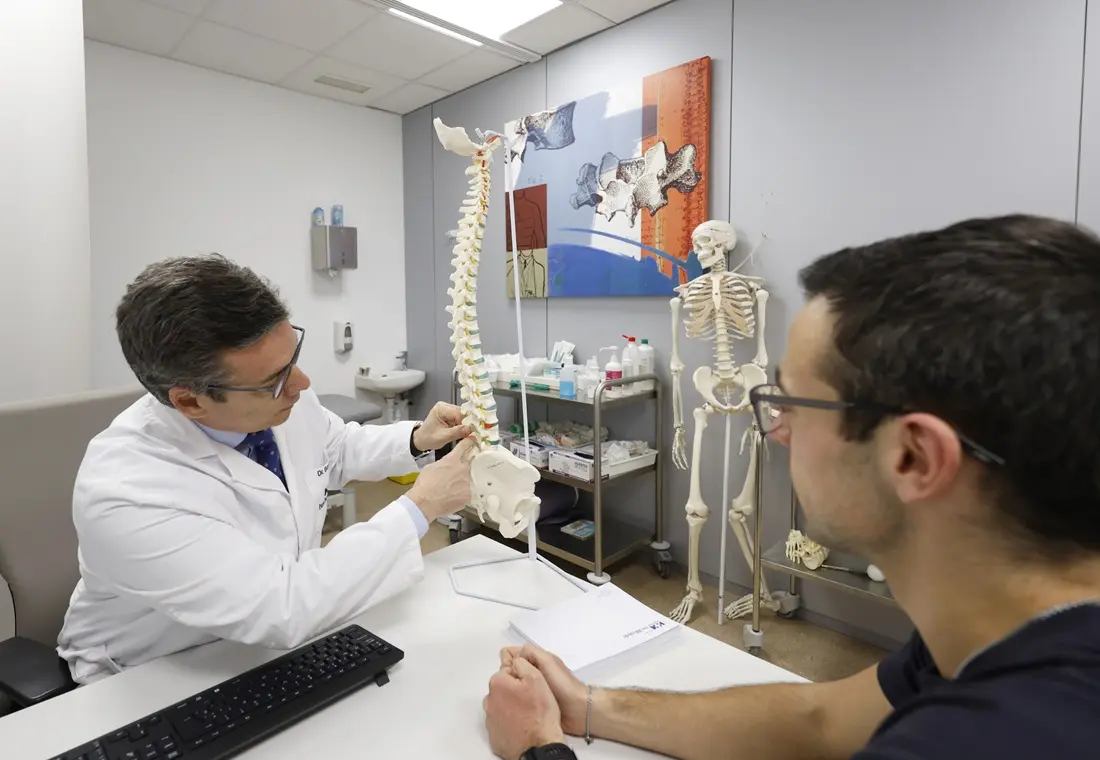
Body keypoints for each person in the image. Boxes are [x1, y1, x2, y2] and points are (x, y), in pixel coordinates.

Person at [483, 214, 1100, 760]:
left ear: (912, 457)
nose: (776, 430)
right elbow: (823, 720)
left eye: (792, 404)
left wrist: (542, 749)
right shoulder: (986, 633)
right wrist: (589, 704)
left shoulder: (1008, 735)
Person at [57, 254, 473, 684]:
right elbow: (283, 604)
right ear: (190, 401)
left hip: (266, 648)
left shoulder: (281, 398)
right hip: (148, 675)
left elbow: (335, 448)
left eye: (293, 355)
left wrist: (417, 439)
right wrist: (421, 506)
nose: (302, 383)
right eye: (275, 379)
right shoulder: (126, 490)